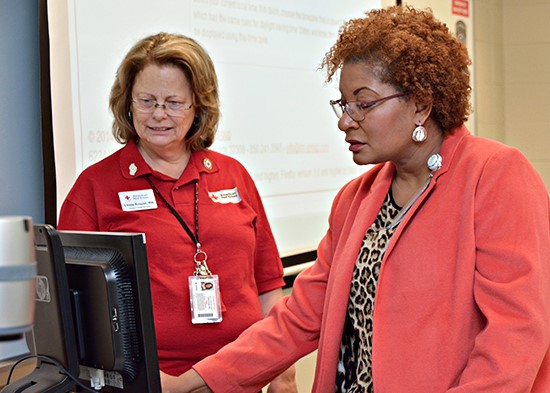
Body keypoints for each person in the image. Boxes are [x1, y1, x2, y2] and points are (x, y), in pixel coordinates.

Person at [162, 5, 550, 393]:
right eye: (343, 104)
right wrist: (191, 383)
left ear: (421, 103)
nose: (345, 120)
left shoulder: (495, 175)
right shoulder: (355, 199)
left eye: (363, 104)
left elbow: (514, 338)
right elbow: (296, 320)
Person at [56, 32, 297, 392]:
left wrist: (283, 372)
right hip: (151, 385)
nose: (158, 115)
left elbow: (267, 284)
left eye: (173, 103)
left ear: (198, 107)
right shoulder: (94, 188)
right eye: (146, 100)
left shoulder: (233, 175)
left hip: (242, 378)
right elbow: (74, 316)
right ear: (127, 103)